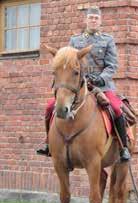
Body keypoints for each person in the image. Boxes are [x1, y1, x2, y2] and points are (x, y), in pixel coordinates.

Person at [36, 6, 131, 162]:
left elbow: (112, 65)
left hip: (102, 85)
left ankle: (123, 148)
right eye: (91, 18)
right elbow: (68, 61)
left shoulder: (108, 40)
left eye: (96, 18)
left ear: (100, 21)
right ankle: (48, 143)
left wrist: (100, 78)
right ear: (86, 20)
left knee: (116, 108)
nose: (93, 20)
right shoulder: (75, 40)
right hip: (79, 85)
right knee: (49, 107)